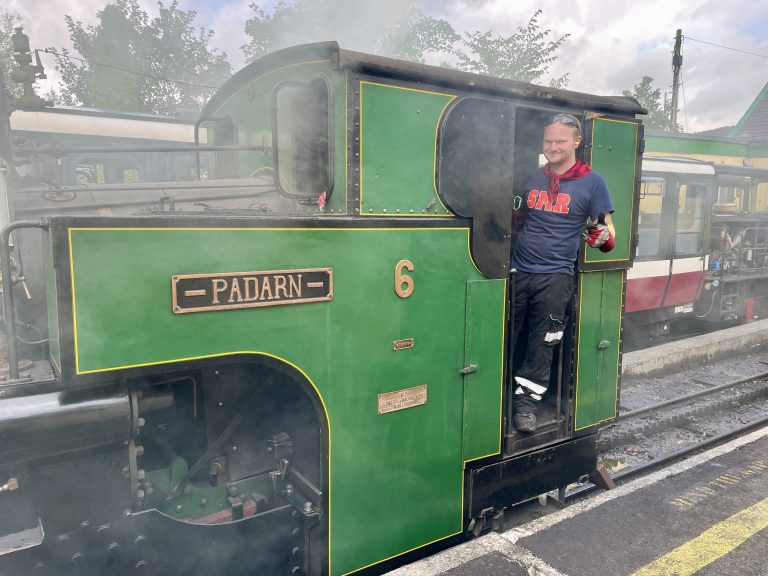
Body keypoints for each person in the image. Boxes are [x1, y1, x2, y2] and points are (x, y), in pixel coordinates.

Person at [510, 113, 615, 433]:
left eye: (560, 141)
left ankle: (526, 405)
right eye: (548, 141)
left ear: (576, 141)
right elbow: (517, 218)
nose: (553, 147)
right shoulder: (532, 178)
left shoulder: (593, 182)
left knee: (543, 343)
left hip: (556, 277)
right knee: (508, 336)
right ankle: (499, 395)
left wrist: (603, 238)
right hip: (517, 270)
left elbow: (608, 233)